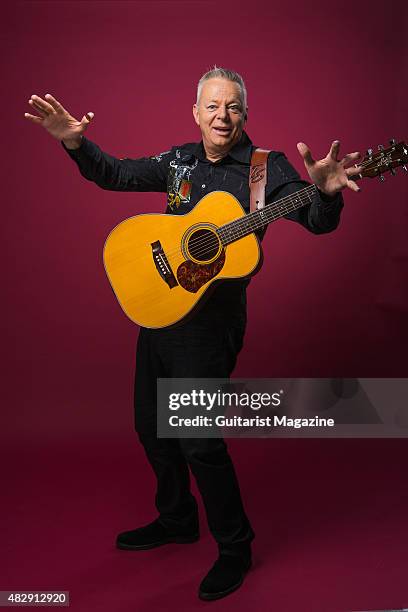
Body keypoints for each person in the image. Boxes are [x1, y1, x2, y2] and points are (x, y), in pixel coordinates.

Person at [24, 67, 362, 601]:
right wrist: (76, 144)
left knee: (198, 439)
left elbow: (318, 220)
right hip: (160, 309)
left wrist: (326, 193)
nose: (221, 117)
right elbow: (115, 174)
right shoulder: (178, 161)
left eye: (231, 107)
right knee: (150, 428)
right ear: (195, 113)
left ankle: (235, 546)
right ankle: (178, 518)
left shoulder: (265, 169)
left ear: (245, 114)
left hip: (211, 326)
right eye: (211, 106)